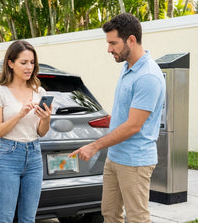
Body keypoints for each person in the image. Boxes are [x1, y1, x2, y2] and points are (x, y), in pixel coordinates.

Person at [68, 13, 165, 223]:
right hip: (115, 157)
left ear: (131, 40)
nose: (109, 49)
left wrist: (94, 146)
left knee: (137, 218)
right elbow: (123, 114)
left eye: (113, 43)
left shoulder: (147, 76)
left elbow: (133, 126)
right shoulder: (127, 67)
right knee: (110, 213)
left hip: (135, 161)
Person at [0, 40, 52, 223]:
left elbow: (41, 132)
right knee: (5, 217)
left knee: (28, 218)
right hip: (8, 156)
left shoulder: (39, 91)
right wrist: (20, 114)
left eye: (32, 62)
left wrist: (46, 118)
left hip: (34, 155)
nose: (29, 67)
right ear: (10, 63)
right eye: (23, 62)